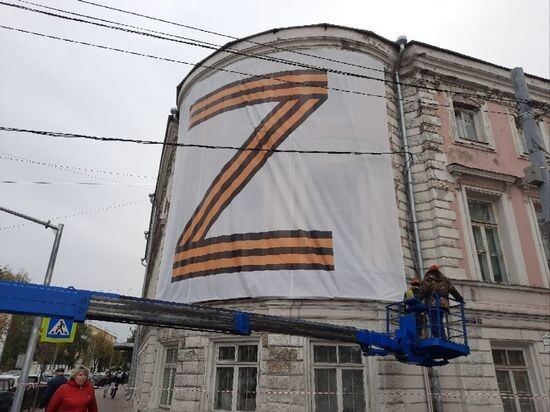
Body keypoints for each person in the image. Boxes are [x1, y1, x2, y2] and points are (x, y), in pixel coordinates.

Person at [418, 264, 464, 338]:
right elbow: (453, 290)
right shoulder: (445, 280)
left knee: (434, 322)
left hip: (432, 303)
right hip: (443, 304)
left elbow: (423, 291)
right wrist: (460, 299)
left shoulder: (428, 278)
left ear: (430, 271)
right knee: (439, 321)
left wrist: (417, 299)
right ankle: (443, 337)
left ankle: (439, 337)